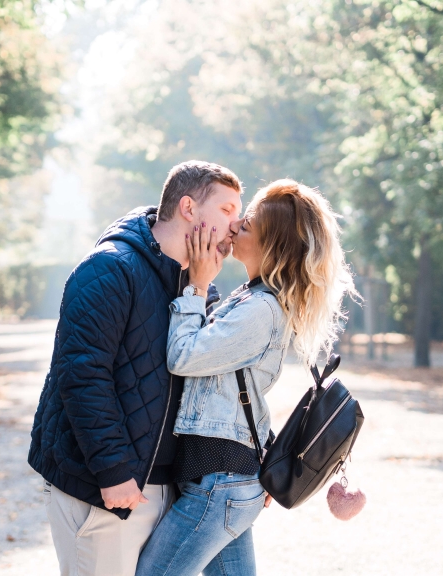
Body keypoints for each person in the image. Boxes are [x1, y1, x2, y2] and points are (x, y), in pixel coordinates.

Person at [27, 160, 243, 576]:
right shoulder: (108, 269)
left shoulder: (198, 287)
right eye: (227, 210)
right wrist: (113, 471)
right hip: (105, 489)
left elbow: (218, 380)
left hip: (169, 492)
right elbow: (82, 374)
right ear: (187, 208)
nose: (236, 225)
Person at [135, 179, 356, 576]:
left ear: (272, 247)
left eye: (247, 226)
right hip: (227, 481)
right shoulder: (248, 297)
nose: (235, 227)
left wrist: (198, 285)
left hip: (220, 486)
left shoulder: (261, 309)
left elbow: (184, 356)